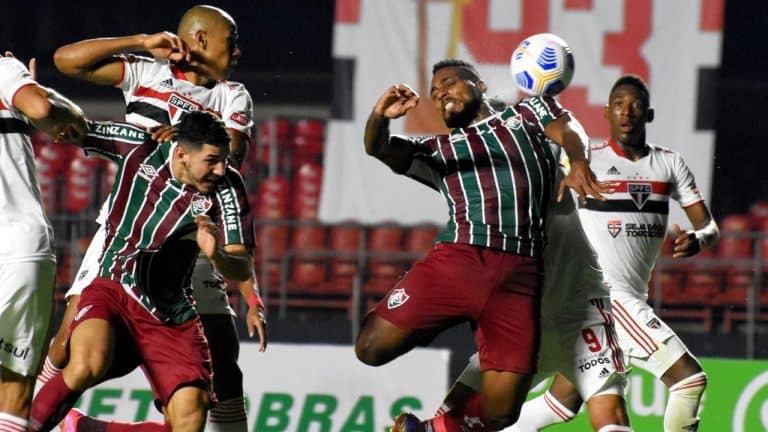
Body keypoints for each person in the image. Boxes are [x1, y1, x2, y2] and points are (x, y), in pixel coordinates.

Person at [38, 6, 265, 432]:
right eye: (230, 42)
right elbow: (67, 61)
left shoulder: (232, 94)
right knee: (70, 347)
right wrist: (139, 42)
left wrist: (183, 135)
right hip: (126, 233)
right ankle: (25, 418)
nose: (237, 52)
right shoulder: (147, 73)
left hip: (192, 238)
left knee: (223, 362)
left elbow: (231, 155)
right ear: (200, 40)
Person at [355, 59, 612, 432]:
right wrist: (380, 117)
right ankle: (433, 319)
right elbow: (378, 148)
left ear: (480, 85)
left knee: (503, 413)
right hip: (459, 260)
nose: (440, 92)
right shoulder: (437, 149)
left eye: (449, 82)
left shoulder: (526, 113)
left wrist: (577, 162)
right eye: (434, 91)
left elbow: (570, 129)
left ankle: (424, 430)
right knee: (370, 348)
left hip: (520, 275)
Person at [503, 75, 717, 432]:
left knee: (561, 403)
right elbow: (535, 163)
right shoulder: (586, 162)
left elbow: (709, 227)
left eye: (634, 105)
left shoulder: (669, 165)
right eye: (618, 104)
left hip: (619, 298)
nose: (626, 112)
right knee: (689, 381)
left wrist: (700, 239)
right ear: (606, 112)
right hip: (608, 299)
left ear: (648, 115)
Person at [30, 112, 255, 432]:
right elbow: (77, 128)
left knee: (189, 418)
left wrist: (216, 254)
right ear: (181, 154)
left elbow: (242, 265)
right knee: (84, 364)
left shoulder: (228, 188)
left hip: (171, 313)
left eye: (223, 161)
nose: (220, 169)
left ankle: (86, 428)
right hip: (114, 285)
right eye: (212, 161)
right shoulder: (140, 145)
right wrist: (40, 105)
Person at [434, 137, 632, 431]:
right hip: (524, 323)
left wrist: (576, 161)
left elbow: (564, 140)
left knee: (610, 413)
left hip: (580, 316)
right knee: (450, 417)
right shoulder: (483, 211)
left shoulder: (550, 181)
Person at [0, 51, 86, 432]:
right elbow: (49, 110)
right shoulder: (3, 70)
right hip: (20, 249)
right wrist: (36, 92)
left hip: (19, 248)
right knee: (14, 393)